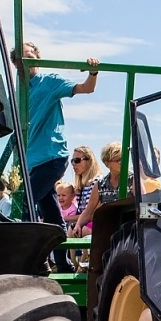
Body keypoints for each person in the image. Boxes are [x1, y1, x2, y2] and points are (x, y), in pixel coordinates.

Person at [20, 42, 99, 228]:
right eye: (21, 59)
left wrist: (93, 72)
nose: (26, 63)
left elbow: (86, 88)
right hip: (32, 163)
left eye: (30, 58)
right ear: (15, 64)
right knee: (52, 216)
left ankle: (26, 252)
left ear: (38, 60)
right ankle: (63, 258)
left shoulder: (49, 82)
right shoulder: (17, 91)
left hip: (52, 157)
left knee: (24, 202)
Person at [71, 142, 122, 236]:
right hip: (107, 228)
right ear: (107, 163)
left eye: (77, 160)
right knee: (73, 231)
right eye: (118, 160)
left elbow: (141, 204)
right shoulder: (101, 184)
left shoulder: (132, 180)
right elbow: (87, 212)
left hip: (125, 227)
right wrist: (78, 225)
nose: (122, 163)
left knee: (87, 231)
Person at [69, 145, 104, 224]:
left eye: (77, 160)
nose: (73, 164)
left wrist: (65, 218)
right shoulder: (82, 186)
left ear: (89, 161)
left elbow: (92, 214)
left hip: (93, 224)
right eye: (72, 161)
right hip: (83, 223)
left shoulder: (98, 182)